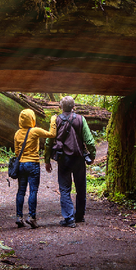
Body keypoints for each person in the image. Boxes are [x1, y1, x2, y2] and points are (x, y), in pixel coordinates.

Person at [44, 96, 96, 228]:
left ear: (61, 107)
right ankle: (79, 216)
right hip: (79, 158)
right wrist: (92, 155)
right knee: (81, 187)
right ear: (73, 107)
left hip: (63, 159)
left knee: (65, 188)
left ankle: (69, 218)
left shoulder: (56, 120)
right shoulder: (81, 119)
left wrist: (47, 159)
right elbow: (89, 140)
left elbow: (49, 141)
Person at [14, 108, 53, 228]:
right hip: (33, 164)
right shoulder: (35, 131)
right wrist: (53, 120)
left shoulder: (17, 133)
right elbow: (52, 135)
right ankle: (31, 217)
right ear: (32, 119)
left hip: (21, 164)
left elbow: (16, 152)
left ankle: (19, 217)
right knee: (33, 191)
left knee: (21, 191)